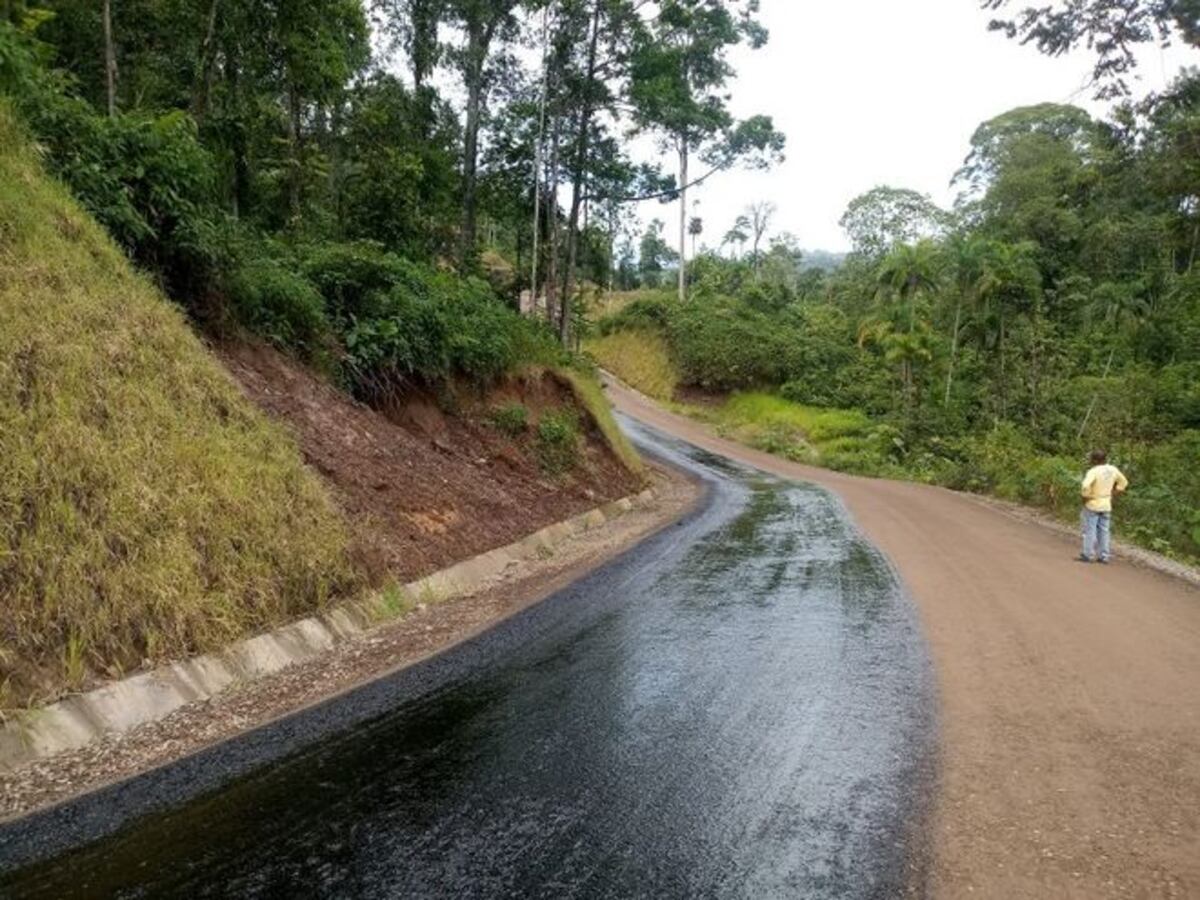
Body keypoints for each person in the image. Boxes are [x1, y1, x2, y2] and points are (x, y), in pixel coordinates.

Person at [1079, 450, 1129, 564]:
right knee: (1104, 531)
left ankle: (1088, 554)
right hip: (1106, 504)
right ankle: (1104, 556)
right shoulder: (1113, 469)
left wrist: (1085, 497)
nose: (1090, 461)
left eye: (1091, 459)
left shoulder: (1093, 471)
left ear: (1095, 460)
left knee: (1089, 530)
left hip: (1093, 504)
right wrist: (1114, 493)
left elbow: (1085, 485)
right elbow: (1124, 482)